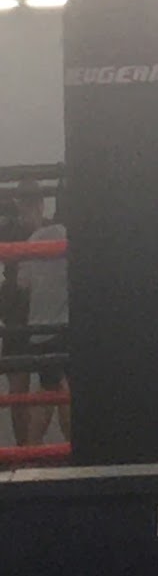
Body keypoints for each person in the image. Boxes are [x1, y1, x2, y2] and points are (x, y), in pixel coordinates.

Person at [0, 178, 46, 445]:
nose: (30, 206)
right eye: (25, 202)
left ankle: (33, 451)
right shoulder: (9, 229)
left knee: (57, 383)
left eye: (34, 201)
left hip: (47, 309)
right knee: (18, 389)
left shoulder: (52, 228)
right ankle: (24, 453)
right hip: (18, 313)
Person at [16, 222, 69, 446]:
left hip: (38, 329)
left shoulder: (33, 240)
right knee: (65, 390)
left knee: (50, 388)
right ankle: (74, 448)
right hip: (62, 326)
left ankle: (31, 448)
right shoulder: (68, 236)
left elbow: (22, 284)